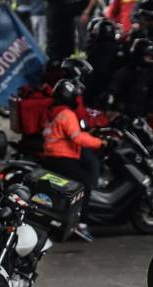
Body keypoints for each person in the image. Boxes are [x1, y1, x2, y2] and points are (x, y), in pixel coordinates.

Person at [41, 79, 106, 243]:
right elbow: (77, 137)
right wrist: (101, 142)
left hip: (50, 157)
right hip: (62, 157)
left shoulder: (52, 112)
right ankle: (81, 224)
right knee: (85, 185)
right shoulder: (67, 114)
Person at [107, 38, 153, 119]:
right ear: (139, 54)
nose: (150, 59)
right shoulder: (125, 72)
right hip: (123, 116)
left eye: (151, 57)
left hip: (142, 117)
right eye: (147, 56)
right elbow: (112, 91)